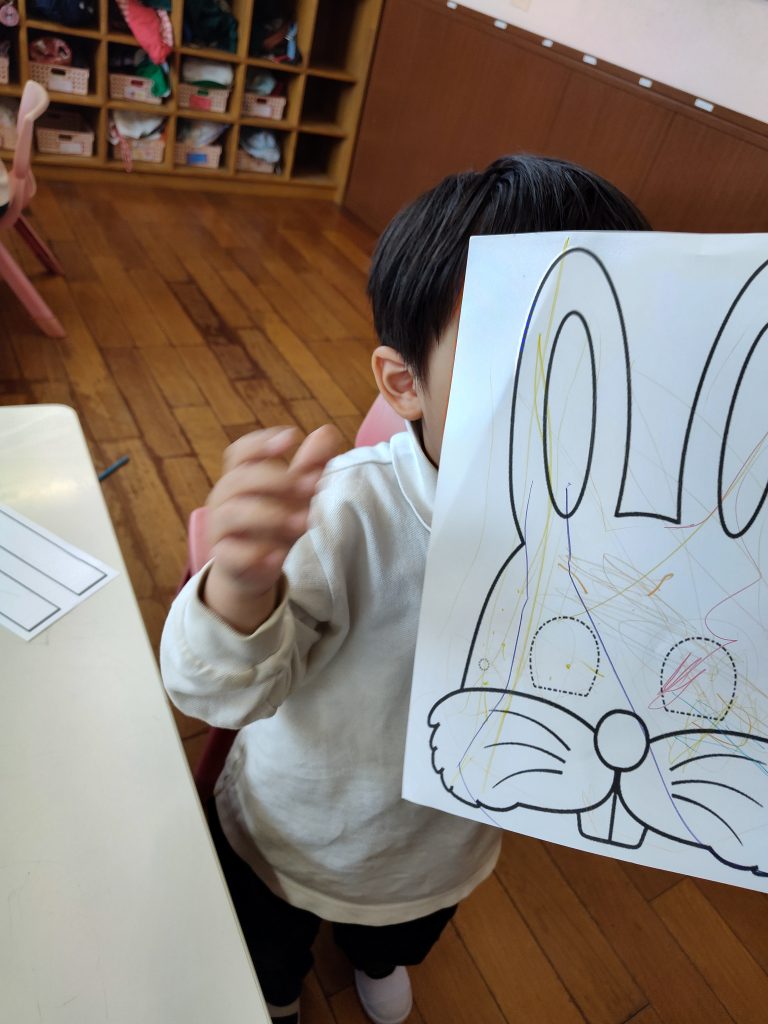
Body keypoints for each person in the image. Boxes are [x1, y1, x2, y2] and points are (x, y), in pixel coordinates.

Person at [160, 154, 651, 1024]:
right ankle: (276, 992)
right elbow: (216, 691)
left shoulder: (627, 534)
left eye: (615, 365)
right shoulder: (346, 513)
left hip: (439, 847)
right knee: (267, 945)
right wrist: (238, 589)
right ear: (406, 384)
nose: (569, 405)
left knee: (403, 931)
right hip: (293, 829)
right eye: (517, 359)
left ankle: (374, 955)